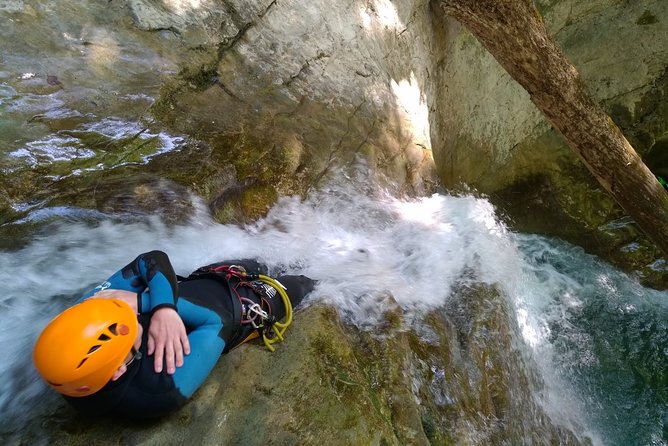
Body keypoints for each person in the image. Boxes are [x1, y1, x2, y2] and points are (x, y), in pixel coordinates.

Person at [32, 250, 314, 419]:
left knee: (264, 259)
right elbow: (220, 322)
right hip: (244, 305)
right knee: (307, 282)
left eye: (123, 308)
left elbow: (151, 260)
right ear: (119, 370)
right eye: (132, 325)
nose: (133, 316)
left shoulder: (88, 316)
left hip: (202, 280)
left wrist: (162, 308)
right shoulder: (160, 389)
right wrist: (148, 302)